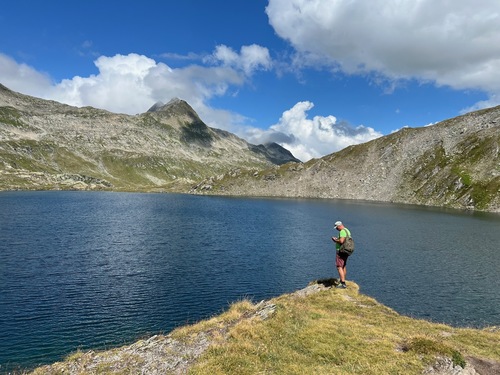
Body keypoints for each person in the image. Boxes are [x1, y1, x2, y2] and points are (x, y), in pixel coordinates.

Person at [331, 220, 351, 289]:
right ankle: (343, 280)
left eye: (337, 227)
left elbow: (341, 241)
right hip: (347, 250)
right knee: (343, 266)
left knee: (339, 266)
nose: (336, 229)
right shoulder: (347, 230)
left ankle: (342, 283)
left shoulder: (342, 231)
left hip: (341, 251)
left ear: (339, 226)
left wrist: (335, 240)